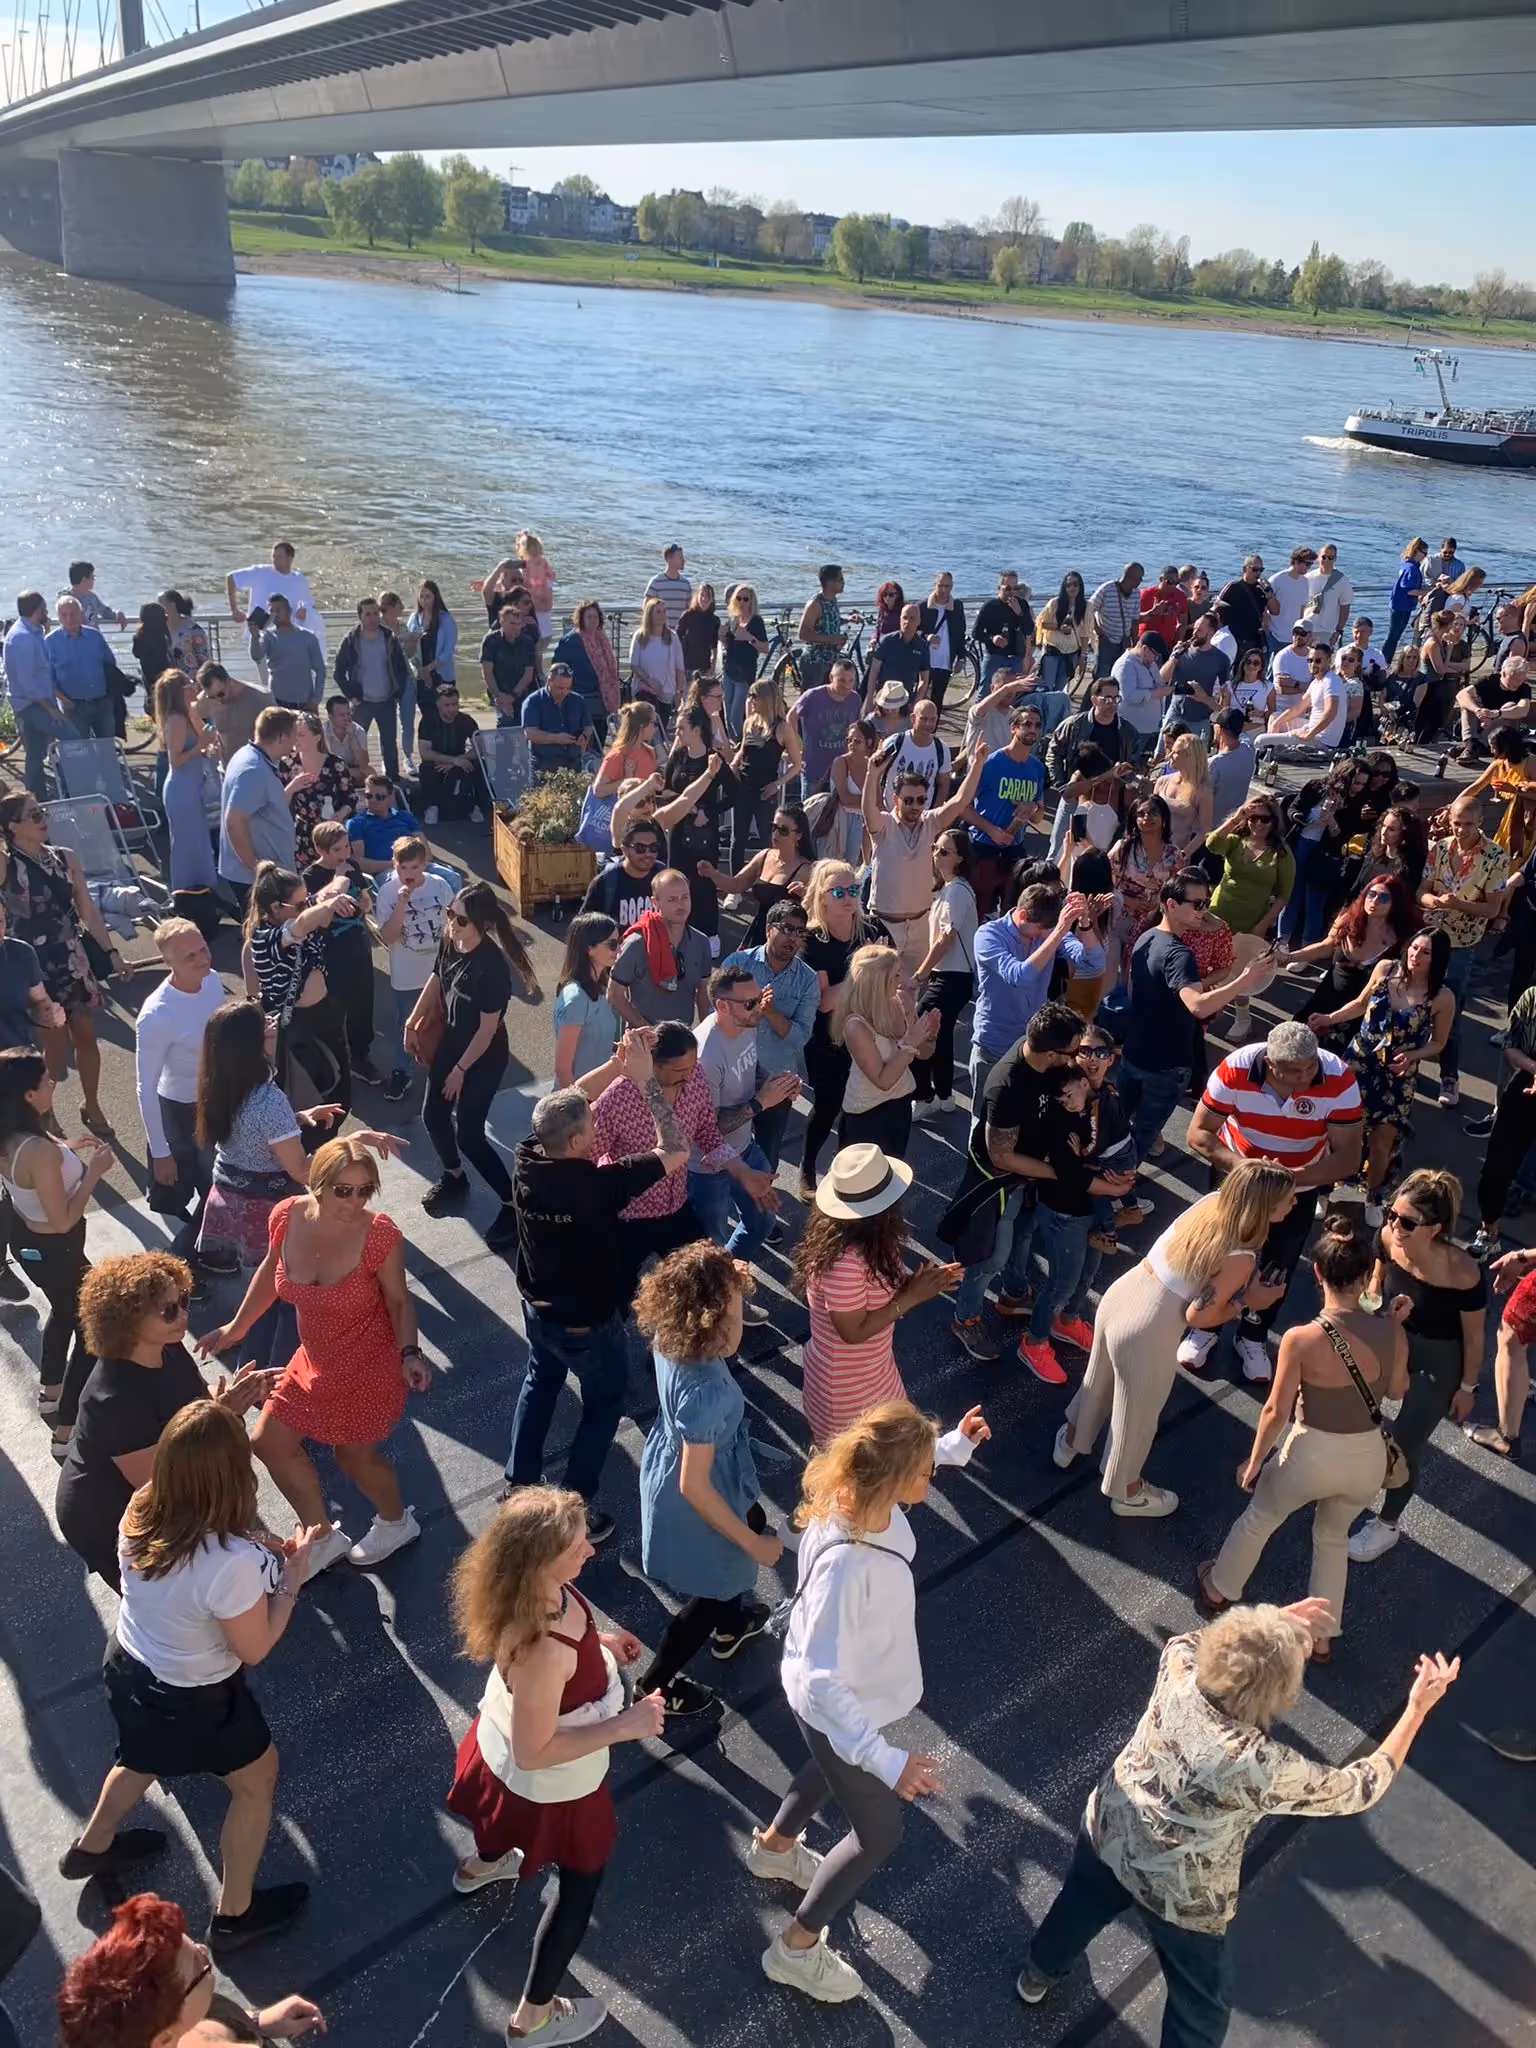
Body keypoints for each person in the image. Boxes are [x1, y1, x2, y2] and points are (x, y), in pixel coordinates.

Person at [1018, 1607, 1459, 2038]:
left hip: (1111, 1827)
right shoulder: (1260, 1764)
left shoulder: (1178, 1668)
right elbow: (1360, 1787)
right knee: (1200, 2004)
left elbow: (1195, 1639)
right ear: (1277, 1693)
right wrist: (1416, 1709)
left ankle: (1037, 1974)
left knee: (1079, 1905)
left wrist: (1272, 1624)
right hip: (1182, 1895)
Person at [62, 1400, 317, 1951]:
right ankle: (235, 1915)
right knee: (257, 1781)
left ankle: (92, 1846)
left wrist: (256, 1547)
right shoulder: (230, 1563)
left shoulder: (144, 1506)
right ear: (235, 1476)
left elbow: (193, 1566)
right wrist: (292, 1577)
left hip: (129, 1666)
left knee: (140, 1756)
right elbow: (254, 1647)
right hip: (193, 1698)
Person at [758, 1397, 987, 2004]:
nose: (929, 1477)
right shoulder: (847, 1566)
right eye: (924, 1470)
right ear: (893, 1477)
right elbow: (819, 1680)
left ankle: (774, 1849)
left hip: (844, 1701)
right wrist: (886, 1760)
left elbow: (908, 1464)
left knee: (826, 1767)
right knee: (878, 1834)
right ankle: (795, 1948)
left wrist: (954, 1447)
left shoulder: (855, 1497)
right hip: (836, 1703)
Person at [444, 1487, 661, 2041]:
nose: (590, 1550)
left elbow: (564, 1650)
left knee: (498, 1821)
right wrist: (625, 1725)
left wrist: (600, 1643)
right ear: (539, 1560)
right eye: (576, 1546)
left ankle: (482, 1865)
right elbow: (534, 1752)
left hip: (496, 1751)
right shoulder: (543, 1648)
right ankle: (533, 2018)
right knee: (579, 1889)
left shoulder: (532, 1593)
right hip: (553, 1786)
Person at [199, 1136, 426, 1579]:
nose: (355, 1202)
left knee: (353, 1457)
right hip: (314, 1360)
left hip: (369, 1365)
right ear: (318, 1184)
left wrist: (410, 1354)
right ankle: (322, 1537)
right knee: (268, 1442)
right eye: (344, 1190)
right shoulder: (287, 1216)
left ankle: (397, 1523)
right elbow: (271, 1270)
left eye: (365, 1191)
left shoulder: (379, 1234)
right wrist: (236, 1327)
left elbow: (400, 1302)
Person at [1198, 1219, 1409, 1646]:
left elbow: (1276, 1410)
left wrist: (1254, 1461)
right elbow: (1397, 1390)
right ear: (1366, 1275)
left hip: (1310, 1453)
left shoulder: (1300, 1338)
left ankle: (1219, 1588)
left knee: (1260, 1518)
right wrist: (1394, 1326)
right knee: (1332, 1540)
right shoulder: (1391, 1330)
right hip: (1366, 1458)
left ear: (1316, 1271)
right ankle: (1321, 1634)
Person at [1058, 1162, 1297, 1513]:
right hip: (1148, 1331)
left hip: (1122, 1295)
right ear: (1265, 1206)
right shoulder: (1241, 1256)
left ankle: (1069, 1444)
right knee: (1138, 1417)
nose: (1294, 1203)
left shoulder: (1212, 1202)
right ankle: (1127, 1492)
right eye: (1288, 1198)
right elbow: (1199, 1316)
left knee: (1097, 1382)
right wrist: (1248, 1301)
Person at [508, 1073, 681, 1542]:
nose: (597, 1126)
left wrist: (617, 1064)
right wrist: (647, 1082)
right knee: (603, 1406)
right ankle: (572, 1513)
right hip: (588, 1324)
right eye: (591, 1124)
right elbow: (675, 1149)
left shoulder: (527, 1160)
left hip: (539, 1311)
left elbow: (563, 1101)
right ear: (575, 1141)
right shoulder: (597, 1185)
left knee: (540, 1383)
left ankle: (518, 1486)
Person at [55, 1251, 274, 1589]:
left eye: (183, 1300)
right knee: (162, 1600)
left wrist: (230, 1397)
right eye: (168, 1310)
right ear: (126, 1320)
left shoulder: (166, 1345)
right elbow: (163, 1480)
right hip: (109, 1513)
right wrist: (222, 1415)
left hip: (164, 1484)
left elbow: (196, 1400)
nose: (183, 1315)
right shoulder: (113, 1401)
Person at [633, 1241, 782, 1718]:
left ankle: (732, 1624)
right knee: (716, 1587)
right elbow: (694, 1487)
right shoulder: (707, 1392)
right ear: (709, 1320)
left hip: (676, 1458)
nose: (740, 1324)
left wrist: (723, 1276)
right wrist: (754, 1545)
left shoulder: (670, 1330)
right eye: (735, 1315)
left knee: (750, 1521)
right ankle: (653, 1686)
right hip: (703, 1485)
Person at [948, 1005, 1135, 1363]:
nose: (1078, 1059)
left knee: (1024, 1236)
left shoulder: (1045, 1056)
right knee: (991, 1257)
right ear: (1051, 1054)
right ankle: (965, 1318)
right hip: (1001, 1183)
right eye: (1074, 1052)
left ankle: (1014, 1295)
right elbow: (1002, 1156)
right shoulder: (1006, 1086)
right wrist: (1065, 1173)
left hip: (1033, 1176)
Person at [1183, 1021, 1365, 1386]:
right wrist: (1250, 1172)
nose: (1306, 1076)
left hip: (1299, 1184)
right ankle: (1205, 1327)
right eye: (1295, 1071)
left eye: (1311, 1066)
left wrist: (1288, 1180)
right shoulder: (1235, 1068)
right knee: (1220, 1253)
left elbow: (1348, 1157)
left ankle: (1252, 1334)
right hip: (1238, 1177)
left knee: (1279, 1262)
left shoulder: (1339, 1078)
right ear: (1270, 1063)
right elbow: (1198, 1133)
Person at [1347, 1168, 1487, 1565]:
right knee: (1353, 1416)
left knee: (1404, 1445)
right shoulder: (1388, 1239)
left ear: (1434, 1229)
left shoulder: (1462, 1271)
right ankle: (1345, 1485)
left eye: (1407, 1222)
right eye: (1391, 1214)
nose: (1394, 1226)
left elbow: (1474, 1337)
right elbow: (1376, 1281)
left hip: (1438, 1359)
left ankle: (1387, 1524)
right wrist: (1368, 1312)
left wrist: (1466, 1388)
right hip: (1393, 1338)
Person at [405, 883, 536, 1238]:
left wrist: (460, 1071)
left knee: (470, 1136)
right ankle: (454, 1177)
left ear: (482, 923)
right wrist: (412, 1022)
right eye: (450, 914)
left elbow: (487, 1029)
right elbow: (437, 977)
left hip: (483, 1054)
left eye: (461, 919)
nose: (452, 923)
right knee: (433, 1114)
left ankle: (512, 1204)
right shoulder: (452, 940)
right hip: (452, 1041)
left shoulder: (492, 967)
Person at [1119, 872, 1273, 1164]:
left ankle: (1104, 1178)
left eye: (1207, 902)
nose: (1204, 910)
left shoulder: (1147, 937)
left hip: (1134, 1054)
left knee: (1117, 1129)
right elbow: (1198, 1007)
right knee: (1141, 1137)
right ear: (1171, 904)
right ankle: (1117, 1185)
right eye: (1198, 904)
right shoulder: (1180, 955)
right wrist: (1245, 978)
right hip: (1165, 1066)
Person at [0, 1047, 111, 1449]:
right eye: (46, 1079)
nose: (53, 1082)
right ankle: (66, 1430)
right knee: (94, 1327)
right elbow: (63, 1220)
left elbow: (30, 1189)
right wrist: (93, 1173)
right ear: (29, 1094)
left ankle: (50, 1393)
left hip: (34, 1245)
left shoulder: (14, 1135)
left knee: (65, 1312)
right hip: (59, 1248)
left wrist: (66, 1147)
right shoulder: (39, 1151)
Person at [0, 790, 125, 1134]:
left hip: (72, 958)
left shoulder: (64, 857)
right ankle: (45, 1110)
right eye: (34, 814)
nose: (43, 819)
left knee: (86, 1034)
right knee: (52, 1047)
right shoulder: (6, 864)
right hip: (32, 965)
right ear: (13, 826)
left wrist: (111, 953)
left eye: (42, 811)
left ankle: (92, 1103)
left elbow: (87, 910)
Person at [57, 1891, 325, 2047]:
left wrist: (257, 2023)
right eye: (199, 1965)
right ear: (163, 2040)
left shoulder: (173, 2018)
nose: (204, 1950)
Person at [1312, 931, 1453, 1222]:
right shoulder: (1385, 969)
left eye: (1425, 952)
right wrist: (1329, 1018)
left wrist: (1413, 1055)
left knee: (1381, 1142)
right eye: (1414, 947)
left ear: (1437, 959)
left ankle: (1373, 1198)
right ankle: (1323, 1190)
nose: (1415, 955)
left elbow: (1439, 1043)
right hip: (1358, 1064)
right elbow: (1361, 1004)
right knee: (1338, 1132)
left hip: (1397, 1077)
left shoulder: (1442, 997)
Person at [688, 965, 792, 1269]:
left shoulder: (746, 1024)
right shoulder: (704, 1057)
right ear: (722, 1006)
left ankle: (731, 1277)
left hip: (745, 1148)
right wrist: (761, 1102)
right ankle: (721, 1290)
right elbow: (706, 1129)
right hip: (708, 1169)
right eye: (750, 1003)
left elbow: (752, 1066)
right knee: (711, 1248)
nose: (759, 1008)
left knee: (763, 1220)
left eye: (759, 998)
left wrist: (776, 1084)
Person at [136, 920, 228, 1262]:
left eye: (203, 948)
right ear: (168, 962)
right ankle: (183, 1259)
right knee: (203, 1185)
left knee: (218, 1183)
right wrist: (161, 1152)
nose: (202, 959)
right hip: (179, 1109)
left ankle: (204, 1249)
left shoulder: (212, 981)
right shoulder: (157, 1015)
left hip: (216, 1100)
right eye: (190, 956)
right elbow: (145, 1087)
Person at [862, 740, 986, 979]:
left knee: (914, 992)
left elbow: (960, 801)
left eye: (921, 800)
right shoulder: (884, 824)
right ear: (895, 799)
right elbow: (868, 810)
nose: (915, 806)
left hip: (921, 925)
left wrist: (978, 764)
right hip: (885, 925)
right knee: (879, 991)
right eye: (908, 800)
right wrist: (872, 775)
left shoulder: (931, 822)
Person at [242, 860, 353, 1118]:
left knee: (341, 1093)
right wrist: (326, 904)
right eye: (301, 903)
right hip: (296, 1028)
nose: (307, 905)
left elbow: (339, 885)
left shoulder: (298, 910)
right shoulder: (264, 938)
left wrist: (335, 887)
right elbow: (301, 924)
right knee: (313, 1097)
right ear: (275, 907)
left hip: (324, 1016)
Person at [1419, 793, 1508, 1107]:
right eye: (1457, 823)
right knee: (1416, 1004)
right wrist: (1432, 901)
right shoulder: (1440, 848)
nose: (1461, 829)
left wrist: (1456, 904)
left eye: (1468, 824)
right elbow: (1422, 891)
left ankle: (1449, 1076)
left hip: (1461, 944)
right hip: (1429, 937)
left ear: (1480, 821)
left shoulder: (1496, 856)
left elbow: (1492, 909)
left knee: (1450, 1012)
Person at [721, 900, 818, 1168]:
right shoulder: (738, 963)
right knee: (723, 1152)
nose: (793, 938)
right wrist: (750, 1012)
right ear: (767, 929)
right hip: (733, 1074)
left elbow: (800, 1038)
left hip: (777, 1080)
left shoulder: (807, 979)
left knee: (767, 1157)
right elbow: (715, 1016)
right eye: (787, 929)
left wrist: (772, 1013)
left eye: (800, 932)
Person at [828, 942, 933, 1156]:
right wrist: (909, 1044)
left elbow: (924, 1054)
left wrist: (929, 1035)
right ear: (877, 981)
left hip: (901, 1104)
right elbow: (883, 1081)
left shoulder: (902, 1001)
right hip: (866, 1116)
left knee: (894, 1170)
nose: (903, 980)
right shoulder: (856, 1026)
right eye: (896, 975)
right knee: (868, 1176)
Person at [372, 833, 455, 1103]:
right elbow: (387, 937)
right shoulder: (388, 892)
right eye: (402, 868)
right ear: (393, 864)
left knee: (446, 1022)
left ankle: (445, 1070)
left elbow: (453, 924)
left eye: (414, 867)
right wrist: (402, 904)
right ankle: (402, 1071)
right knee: (407, 1024)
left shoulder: (439, 885)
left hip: (440, 972)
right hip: (407, 976)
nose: (408, 873)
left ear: (424, 864)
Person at [910, 828, 977, 1119]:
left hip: (952, 976)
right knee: (942, 1033)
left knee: (917, 1029)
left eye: (945, 851)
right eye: (935, 848)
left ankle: (924, 1096)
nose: (937, 854)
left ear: (960, 858)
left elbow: (945, 939)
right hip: (950, 976)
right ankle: (945, 1095)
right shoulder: (949, 888)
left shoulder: (957, 891)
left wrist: (920, 974)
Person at [965, 703, 1047, 912]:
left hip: (1015, 848)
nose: (1032, 729)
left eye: (1037, 725)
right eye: (1027, 724)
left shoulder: (1037, 768)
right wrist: (991, 830)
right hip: (983, 846)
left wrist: (1031, 807)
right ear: (1013, 727)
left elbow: (1038, 817)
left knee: (1014, 910)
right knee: (977, 910)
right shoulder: (991, 763)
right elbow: (962, 806)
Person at [607, 867, 712, 1028]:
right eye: (672, 899)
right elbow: (614, 994)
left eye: (685, 897)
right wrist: (647, 1029)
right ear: (655, 903)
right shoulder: (637, 944)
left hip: (683, 1037)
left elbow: (703, 994)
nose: (680, 904)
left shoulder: (701, 942)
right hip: (642, 1037)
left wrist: (705, 1035)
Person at [217, 706, 299, 907]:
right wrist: (256, 868)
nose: (295, 742)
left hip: (264, 876)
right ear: (281, 737)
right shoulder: (253, 770)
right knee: (265, 927)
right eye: (294, 736)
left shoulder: (248, 756)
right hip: (257, 880)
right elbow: (234, 823)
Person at [153, 669, 219, 897]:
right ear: (179, 691)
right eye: (189, 683)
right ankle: (184, 892)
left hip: (195, 786)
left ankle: (203, 890)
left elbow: (206, 739)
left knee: (199, 842)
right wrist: (201, 745)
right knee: (186, 844)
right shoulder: (176, 720)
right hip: (181, 788)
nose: (194, 685)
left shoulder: (190, 713)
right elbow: (175, 760)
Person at [3, 591, 71, 797]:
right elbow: (27, 685)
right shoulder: (22, 639)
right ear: (36, 610)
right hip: (33, 706)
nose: (47, 611)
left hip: (32, 703)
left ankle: (37, 800)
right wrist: (52, 710)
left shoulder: (32, 632)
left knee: (34, 754)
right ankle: (78, 789)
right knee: (73, 737)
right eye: (44, 608)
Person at [1254, 643, 1349, 766]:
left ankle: (1270, 754)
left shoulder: (1331, 681)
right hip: (1311, 728)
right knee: (1275, 717)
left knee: (1259, 741)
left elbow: (1330, 712)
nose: (1313, 664)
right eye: (1310, 660)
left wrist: (1308, 734)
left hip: (1322, 741)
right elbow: (1297, 708)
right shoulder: (1316, 682)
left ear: (1328, 661)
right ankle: (1273, 751)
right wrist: (1277, 723)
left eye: (1318, 660)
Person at [227, 540, 325, 656]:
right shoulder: (260, 572)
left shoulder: (299, 579)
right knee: (263, 664)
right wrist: (234, 610)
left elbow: (308, 604)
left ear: (290, 558)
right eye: (273, 556)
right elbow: (231, 577)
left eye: (279, 557)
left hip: (287, 637)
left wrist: (305, 611)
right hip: (260, 634)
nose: (274, 560)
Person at [44, 593, 118, 741]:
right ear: (58, 617)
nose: (69, 619)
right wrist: (65, 701)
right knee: (79, 749)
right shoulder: (50, 642)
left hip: (102, 703)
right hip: (74, 707)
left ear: (81, 613)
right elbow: (47, 679)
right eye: (64, 615)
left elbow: (110, 664)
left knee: (107, 747)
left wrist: (110, 697)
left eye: (73, 614)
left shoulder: (95, 636)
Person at [787, 654, 861, 800]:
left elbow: (856, 728)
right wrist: (796, 748)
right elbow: (791, 717)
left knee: (838, 807)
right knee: (810, 807)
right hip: (814, 765)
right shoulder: (812, 696)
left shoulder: (855, 699)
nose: (846, 685)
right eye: (841, 680)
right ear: (831, 677)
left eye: (851, 681)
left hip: (841, 765)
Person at [404, 577, 458, 760]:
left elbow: (448, 652)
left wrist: (430, 668)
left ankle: (447, 752)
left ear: (435, 597)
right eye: (422, 597)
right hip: (421, 677)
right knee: (428, 716)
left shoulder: (445, 619)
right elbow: (408, 650)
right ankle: (428, 754)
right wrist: (420, 669)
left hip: (441, 675)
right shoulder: (414, 619)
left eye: (428, 596)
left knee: (445, 714)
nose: (425, 600)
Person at [416, 685, 485, 824]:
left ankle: (475, 806)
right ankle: (432, 806)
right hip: (437, 760)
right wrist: (452, 760)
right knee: (427, 768)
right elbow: (425, 752)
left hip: (460, 759)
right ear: (438, 704)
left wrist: (457, 760)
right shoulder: (428, 721)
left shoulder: (466, 720)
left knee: (480, 765)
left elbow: (480, 748)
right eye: (447, 705)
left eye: (455, 704)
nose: (452, 709)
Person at [1159, 613, 1231, 741]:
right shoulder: (1182, 651)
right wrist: (1174, 658)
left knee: (1195, 753)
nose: (1194, 633)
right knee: (1162, 751)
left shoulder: (1221, 659)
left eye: (1199, 630)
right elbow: (1162, 679)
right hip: (1175, 714)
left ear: (1211, 633)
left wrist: (1204, 697)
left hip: (1200, 720)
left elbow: (1226, 697)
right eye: (1194, 629)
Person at [553, 598, 621, 733]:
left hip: (603, 697)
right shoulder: (571, 640)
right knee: (584, 737)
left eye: (595, 617)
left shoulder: (602, 638)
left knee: (601, 734)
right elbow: (558, 667)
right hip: (581, 697)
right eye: (589, 617)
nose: (593, 620)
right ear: (581, 618)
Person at [480, 592, 542, 726]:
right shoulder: (490, 640)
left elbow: (528, 674)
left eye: (518, 624)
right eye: (512, 623)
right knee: (505, 720)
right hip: (498, 691)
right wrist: (500, 697)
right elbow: (487, 672)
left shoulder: (527, 642)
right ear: (501, 622)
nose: (515, 627)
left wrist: (512, 696)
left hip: (520, 692)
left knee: (526, 722)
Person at [522, 662, 596, 772]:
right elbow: (530, 733)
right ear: (549, 681)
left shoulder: (578, 700)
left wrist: (584, 736)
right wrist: (555, 738)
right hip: (543, 765)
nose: (564, 692)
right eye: (560, 688)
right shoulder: (533, 701)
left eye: (568, 688)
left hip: (573, 763)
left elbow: (588, 726)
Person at [258, 595, 326, 715]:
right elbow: (256, 656)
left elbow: (320, 669)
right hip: (277, 702)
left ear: (289, 611)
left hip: (304, 703)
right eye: (271, 611)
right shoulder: (268, 637)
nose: (275, 614)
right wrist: (255, 635)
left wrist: (316, 700)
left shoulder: (307, 637)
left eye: (278, 610)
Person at [347, 770, 422, 874]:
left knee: (446, 876)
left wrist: (414, 866)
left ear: (390, 797)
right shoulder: (356, 823)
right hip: (387, 871)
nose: (373, 800)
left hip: (419, 867)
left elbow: (426, 851)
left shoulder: (406, 816)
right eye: (368, 796)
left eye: (379, 797)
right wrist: (397, 865)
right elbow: (360, 863)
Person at [1153, 731, 1213, 860]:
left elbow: (1204, 831)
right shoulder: (1162, 781)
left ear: (1190, 757)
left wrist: (1183, 855)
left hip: (1176, 855)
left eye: (1176, 753)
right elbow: (1149, 812)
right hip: (1151, 848)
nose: (1170, 755)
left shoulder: (1202, 791)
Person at [862, 602, 932, 713]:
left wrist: (916, 703)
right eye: (904, 617)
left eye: (912, 618)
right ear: (900, 619)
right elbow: (874, 672)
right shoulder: (887, 641)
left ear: (919, 621)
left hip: (906, 700)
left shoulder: (922, 647)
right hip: (882, 698)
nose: (907, 622)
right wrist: (870, 699)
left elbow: (924, 679)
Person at [628, 596, 686, 724]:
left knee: (661, 726)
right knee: (649, 724)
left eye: (664, 611)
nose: (662, 615)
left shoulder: (672, 637)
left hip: (667, 690)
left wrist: (679, 692)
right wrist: (649, 680)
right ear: (650, 615)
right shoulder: (640, 636)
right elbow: (634, 664)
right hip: (644, 689)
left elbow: (679, 668)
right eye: (658, 612)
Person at [1111, 631, 1170, 757]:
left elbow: (1157, 683)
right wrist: (1155, 693)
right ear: (1144, 648)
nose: (1155, 659)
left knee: (1145, 765)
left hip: (1151, 729)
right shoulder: (1126, 665)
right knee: (1130, 764)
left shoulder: (1150, 664)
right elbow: (1129, 695)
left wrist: (1166, 688)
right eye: (1155, 655)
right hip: (1134, 730)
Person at [1212, 552, 1279, 661]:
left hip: (1252, 640)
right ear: (1244, 569)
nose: (1258, 573)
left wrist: (1269, 595)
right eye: (1254, 570)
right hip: (1232, 639)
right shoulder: (1233, 587)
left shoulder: (1263, 588)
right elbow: (1215, 608)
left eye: (1261, 570)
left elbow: (1275, 611)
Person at [796, 563, 851, 691]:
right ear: (829, 582)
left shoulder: (832, 600)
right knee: (812, 700)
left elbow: (828, 622)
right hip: (815, 662)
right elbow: (803, 634)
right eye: (840, 579)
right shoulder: (815, 604)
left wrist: (848, 619)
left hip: (831, 661)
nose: (843, 583)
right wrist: (832, 640)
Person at [677, 579, 721, 686]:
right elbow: (677, 637)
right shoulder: (688, 615)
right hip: (687, 664)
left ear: (712, 599)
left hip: (705, 666)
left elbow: (714, 645)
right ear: (697, 596)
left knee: (702, 694)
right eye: (702, 595)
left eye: (708, 596)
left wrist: (713, 666)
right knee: (688, 694)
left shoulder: (714, 620)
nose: (704, 599)